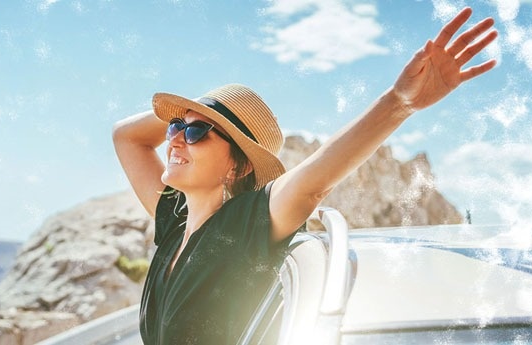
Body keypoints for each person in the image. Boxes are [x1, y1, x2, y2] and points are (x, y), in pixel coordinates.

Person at [112, 7, 498, 345]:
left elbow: (314, 183)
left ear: (240, 165)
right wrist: (196, 112)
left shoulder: (245, 225)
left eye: (197, 134)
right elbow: (125, 137)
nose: (177, 139)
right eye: (174, 128)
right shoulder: (173, 222)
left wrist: (398, 103)